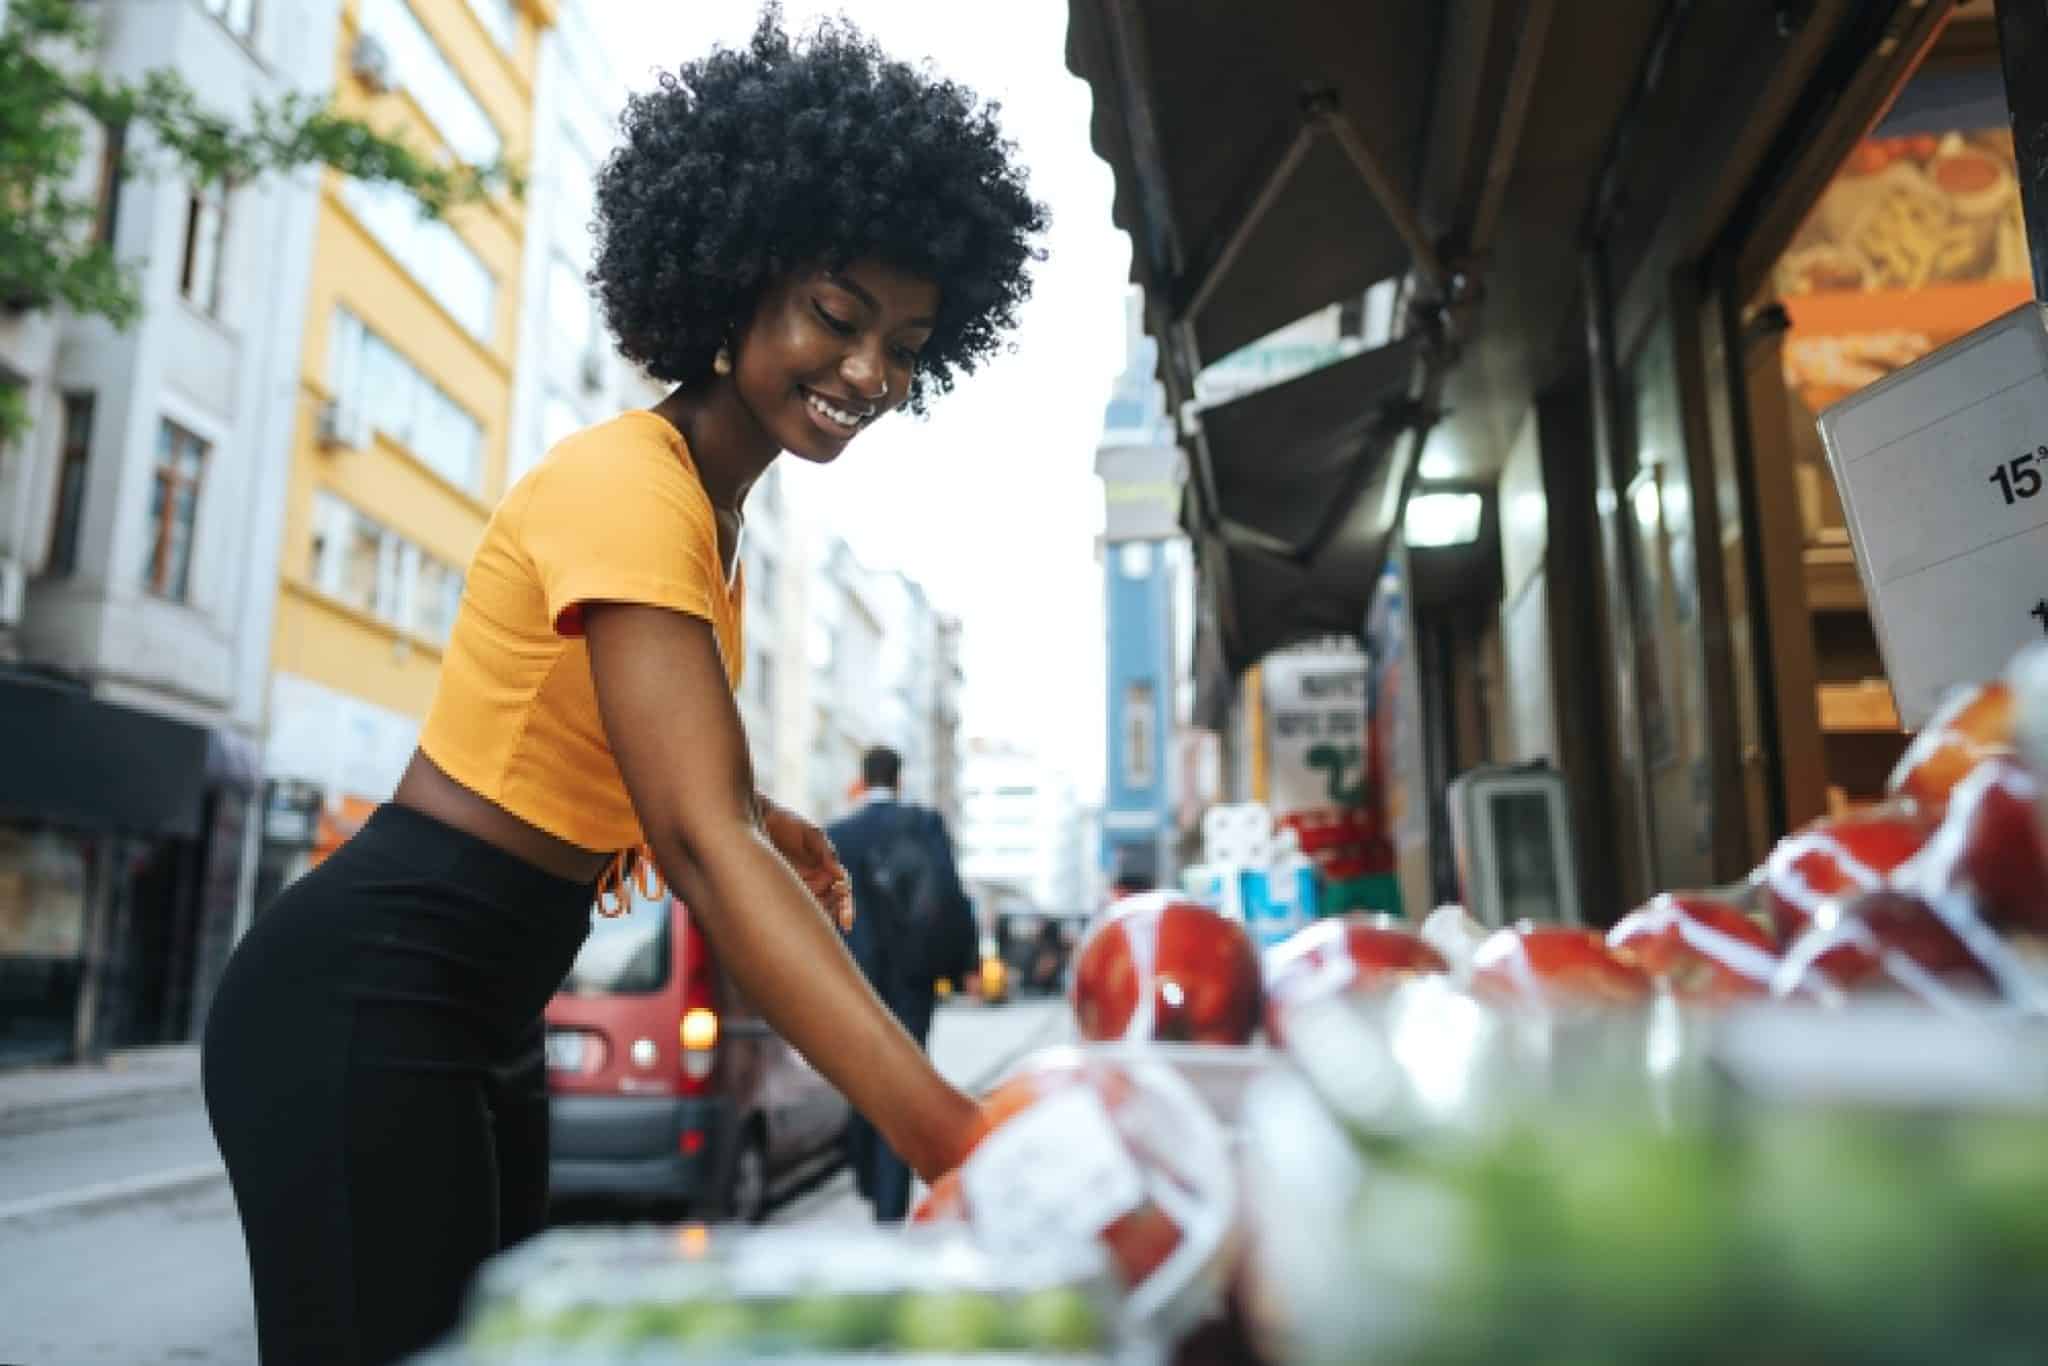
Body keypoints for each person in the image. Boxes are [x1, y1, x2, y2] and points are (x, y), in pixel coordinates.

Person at [200, 11, 1046, 1362]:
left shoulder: (711, 519)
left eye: (907, 341)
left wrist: (761, 810)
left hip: (480, 1012)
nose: (872, 372)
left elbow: (623, 766)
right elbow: (695, 840)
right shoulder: (629, 485)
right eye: (838, 315)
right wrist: (959, 1136)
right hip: (369, 996)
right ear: (732, 280)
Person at [830, 745, 977, 1221]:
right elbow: (951, 898)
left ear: (862, 777)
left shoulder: (839, 836)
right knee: (905, 1085)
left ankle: (873, 1183)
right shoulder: (924, 826)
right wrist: (962, 967)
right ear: (899, 779)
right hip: (912, 984)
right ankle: (890, 1203)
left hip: (854, 985)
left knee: (862, 1081)